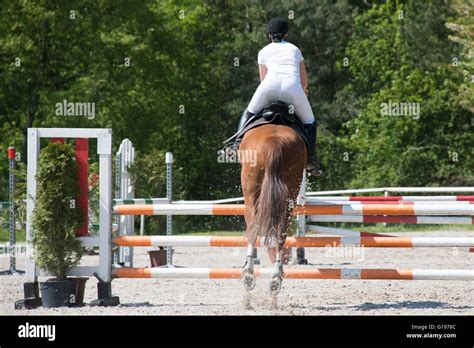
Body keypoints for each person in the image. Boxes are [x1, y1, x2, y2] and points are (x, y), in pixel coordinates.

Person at [234, 17, 321, 175]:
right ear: (285, 34)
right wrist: (304, 92)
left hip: (269, 87)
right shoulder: (294, 49)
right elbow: (304, 81)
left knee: (249, 111)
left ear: (269, 35)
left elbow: (263, 78)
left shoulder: (263, 52)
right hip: (293, 88)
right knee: (310, 121)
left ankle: (235, 145)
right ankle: (311, 159)